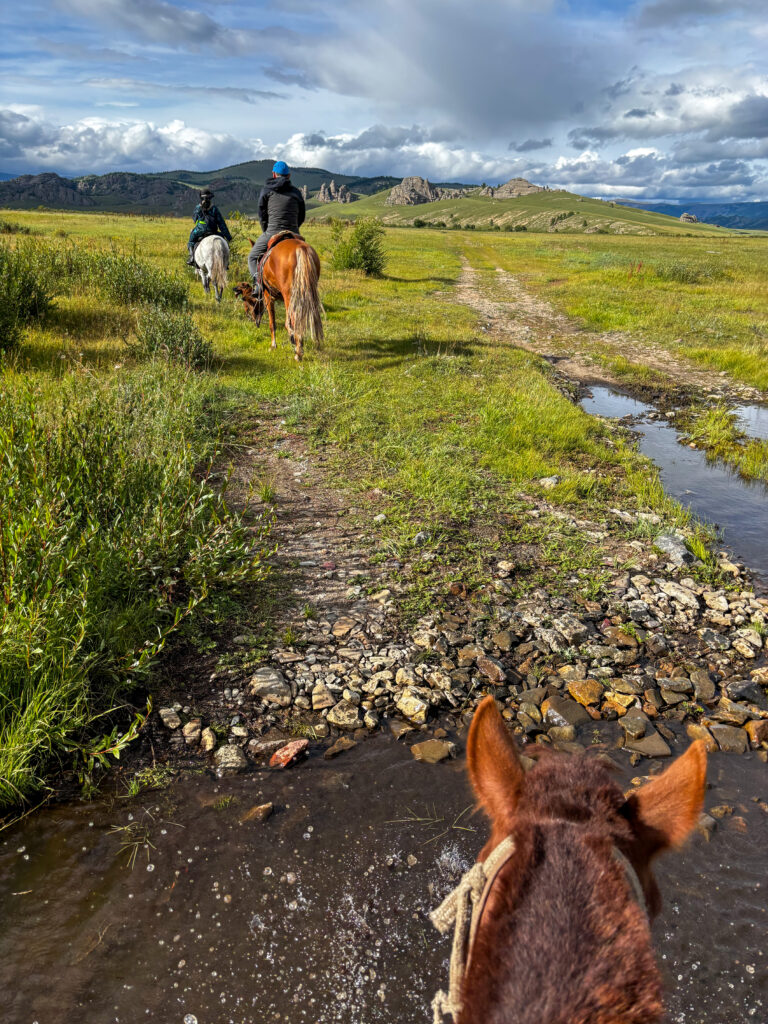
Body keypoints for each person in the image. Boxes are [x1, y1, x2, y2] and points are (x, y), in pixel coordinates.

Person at [247, 161, 306, 297]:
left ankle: (258, 284)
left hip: (272, 231)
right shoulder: (296, 192)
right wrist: (294, 230)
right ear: (289, 176)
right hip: (293, 232)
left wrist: (266, 231)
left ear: (274, 174)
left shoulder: (266, 191)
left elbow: (262, 215)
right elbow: (302, 216)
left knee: (252, 257)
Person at [186, 188, 232, 266]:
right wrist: (228, 236)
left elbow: (194, 219)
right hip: (213, 231)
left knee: (191, 240)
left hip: (199, 230)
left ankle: (192, 258)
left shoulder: (198, 208)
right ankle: (226, 262)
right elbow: (221, 224)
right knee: (223, 241)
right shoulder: (214, 208)